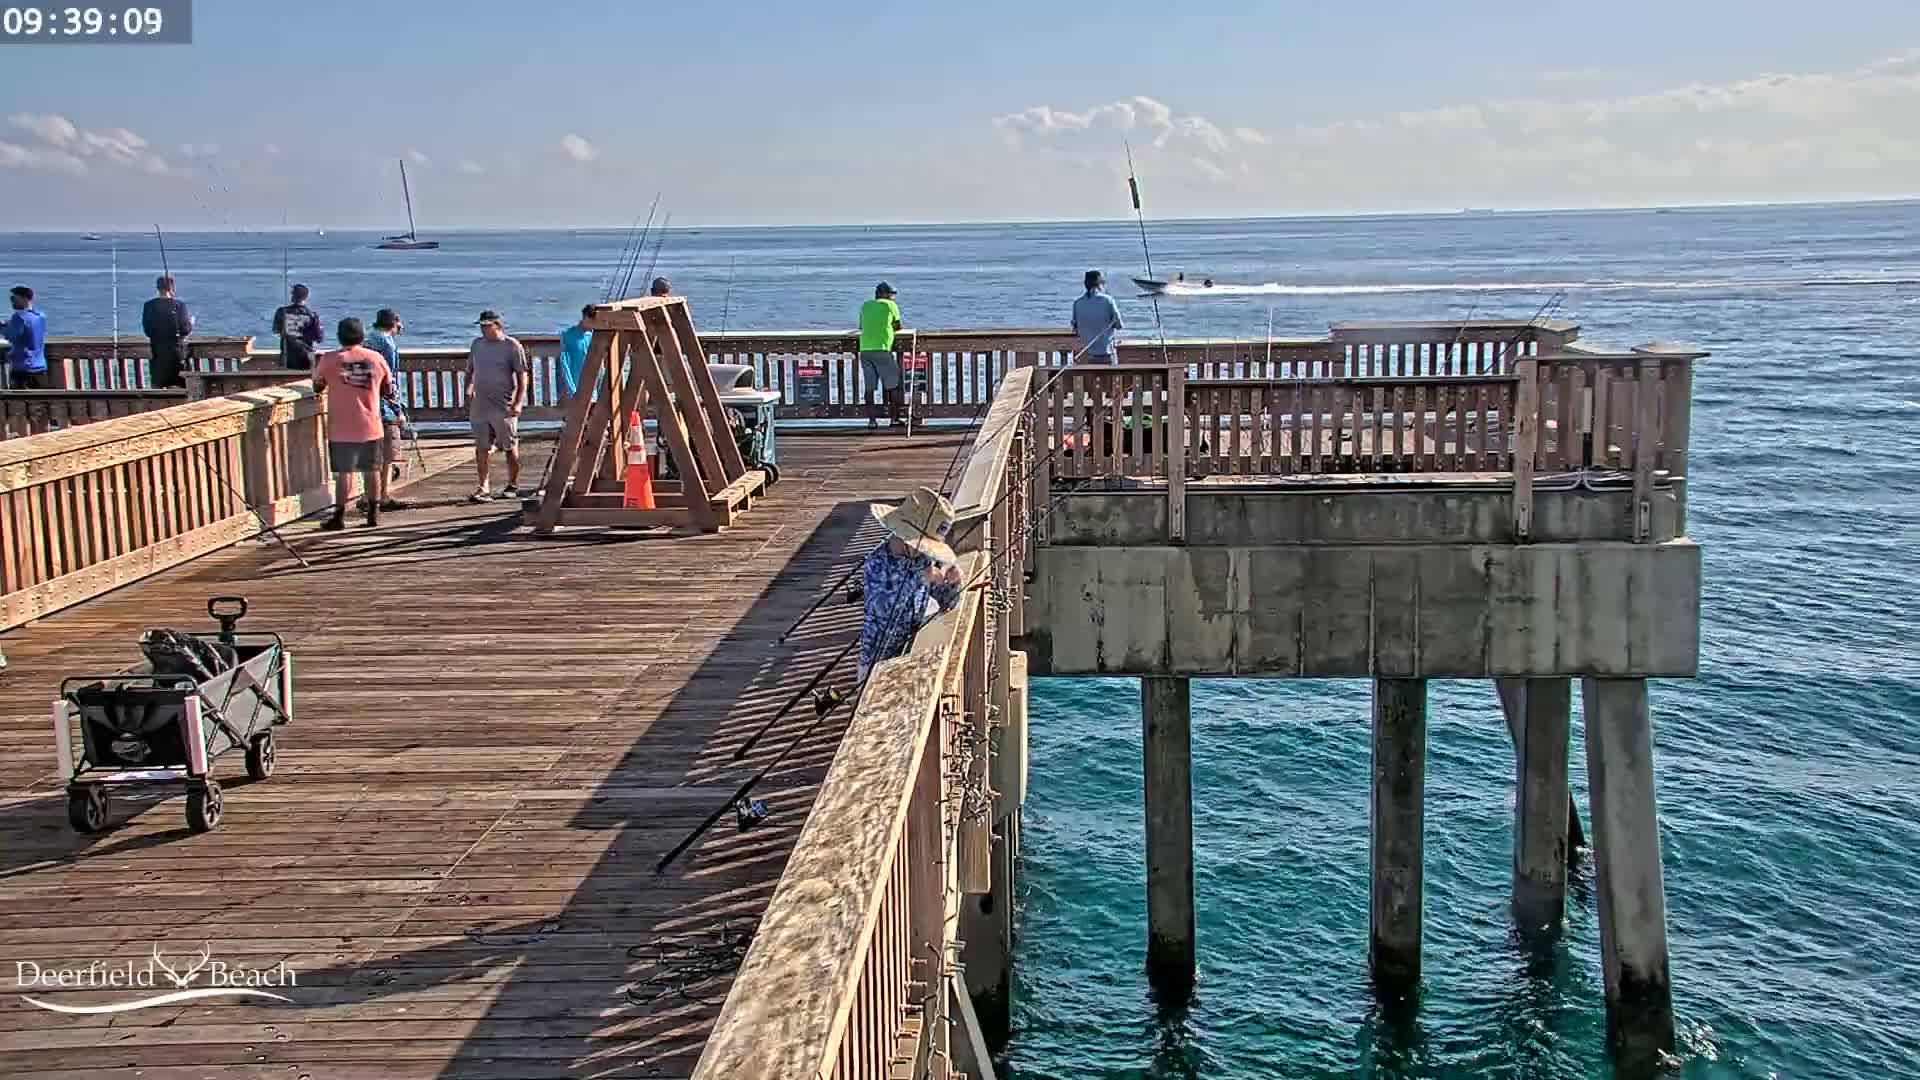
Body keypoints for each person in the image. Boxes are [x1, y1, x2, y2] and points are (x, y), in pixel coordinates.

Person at [857, 486, 964, 683]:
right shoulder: (877, 563)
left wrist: (953, 583)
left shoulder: (922, 560)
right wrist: (922, 576)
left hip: (911, 652)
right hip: (877, 661)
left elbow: (948, 602)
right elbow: (884, 609)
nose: (923, 552)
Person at [311, 317, 393, 531]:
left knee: (344, 473)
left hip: (341, 426)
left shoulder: (329, 359)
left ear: (339, 336)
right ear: (362, 336)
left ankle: (339, 516)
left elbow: (317, 386)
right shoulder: (376, 358)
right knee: (372, 469)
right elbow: (388, 388)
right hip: (371, 423)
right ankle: (373, 514)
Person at [464, 309, 528, 502]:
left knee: (509, 445)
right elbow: (470, 371)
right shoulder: (477, 345)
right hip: (480, 404)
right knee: (482, 447)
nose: (483, 330)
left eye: (487, 326)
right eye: (481, 326)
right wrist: (468, 389)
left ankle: (513, 484)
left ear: (497, 326)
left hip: (503, 404)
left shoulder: (512, 346)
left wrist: (518, 402)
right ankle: (483, 488)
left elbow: (522, 375)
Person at [364, 309, 411, 510]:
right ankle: (382, 496)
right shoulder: (387, 343)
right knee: (387, 455)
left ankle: (367, 496)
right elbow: (389, 378)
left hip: (364, 403)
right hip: (383, 407)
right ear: (395, 324)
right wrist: (398, 409)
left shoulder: (367, 339)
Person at [858, 281, 905, 430]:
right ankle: (895, 419)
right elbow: (898, 326)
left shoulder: (866, 305)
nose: (893, 297)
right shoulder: (890, 305)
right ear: (884, 294)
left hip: (865, 349)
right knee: (894, 386)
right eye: (891, 294)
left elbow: (861, 326)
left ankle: (872, 421)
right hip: (882, 349)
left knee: (870, 388)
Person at [141, 276, 193, 388]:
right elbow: (185, 329)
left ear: (158, 288)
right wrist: (191, 323)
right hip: (176, 356)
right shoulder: (179, 305)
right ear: (172, 288)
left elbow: (148, 330)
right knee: (181, 389)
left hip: (158, 355)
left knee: (157, 388)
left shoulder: (149, 306)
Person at [1071, 270, 1123, 363]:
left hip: (1085, 354)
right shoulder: (1108, 300)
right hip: (1106, 353)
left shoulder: (1077, 303)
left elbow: (1075, 328)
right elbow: (1119, 325)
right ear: (1100, 285)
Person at [3, 286, 48, 390]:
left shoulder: (18, 317)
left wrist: (3, 328)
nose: (12, 302)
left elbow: (11, 336)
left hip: (23, 368)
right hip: (40, 367)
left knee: (19, 404)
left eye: (14, 298)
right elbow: (29, 330)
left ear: (24, 299)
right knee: (39, 403)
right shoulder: (40, 316)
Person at [272, 284, 323, 370]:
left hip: (287, 358)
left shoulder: (281, 312)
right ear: (305, 297)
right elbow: (319, 338)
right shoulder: (313, 316)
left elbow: (275, 330)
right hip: (306, 358)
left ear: (293, 296)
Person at [557, 304, 594, 401]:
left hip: (593, 391)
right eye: (592, 321)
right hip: (576, 390)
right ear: (585, 317)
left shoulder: (593, 336)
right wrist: (572, 390)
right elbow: (564, 364)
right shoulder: (568, 336)